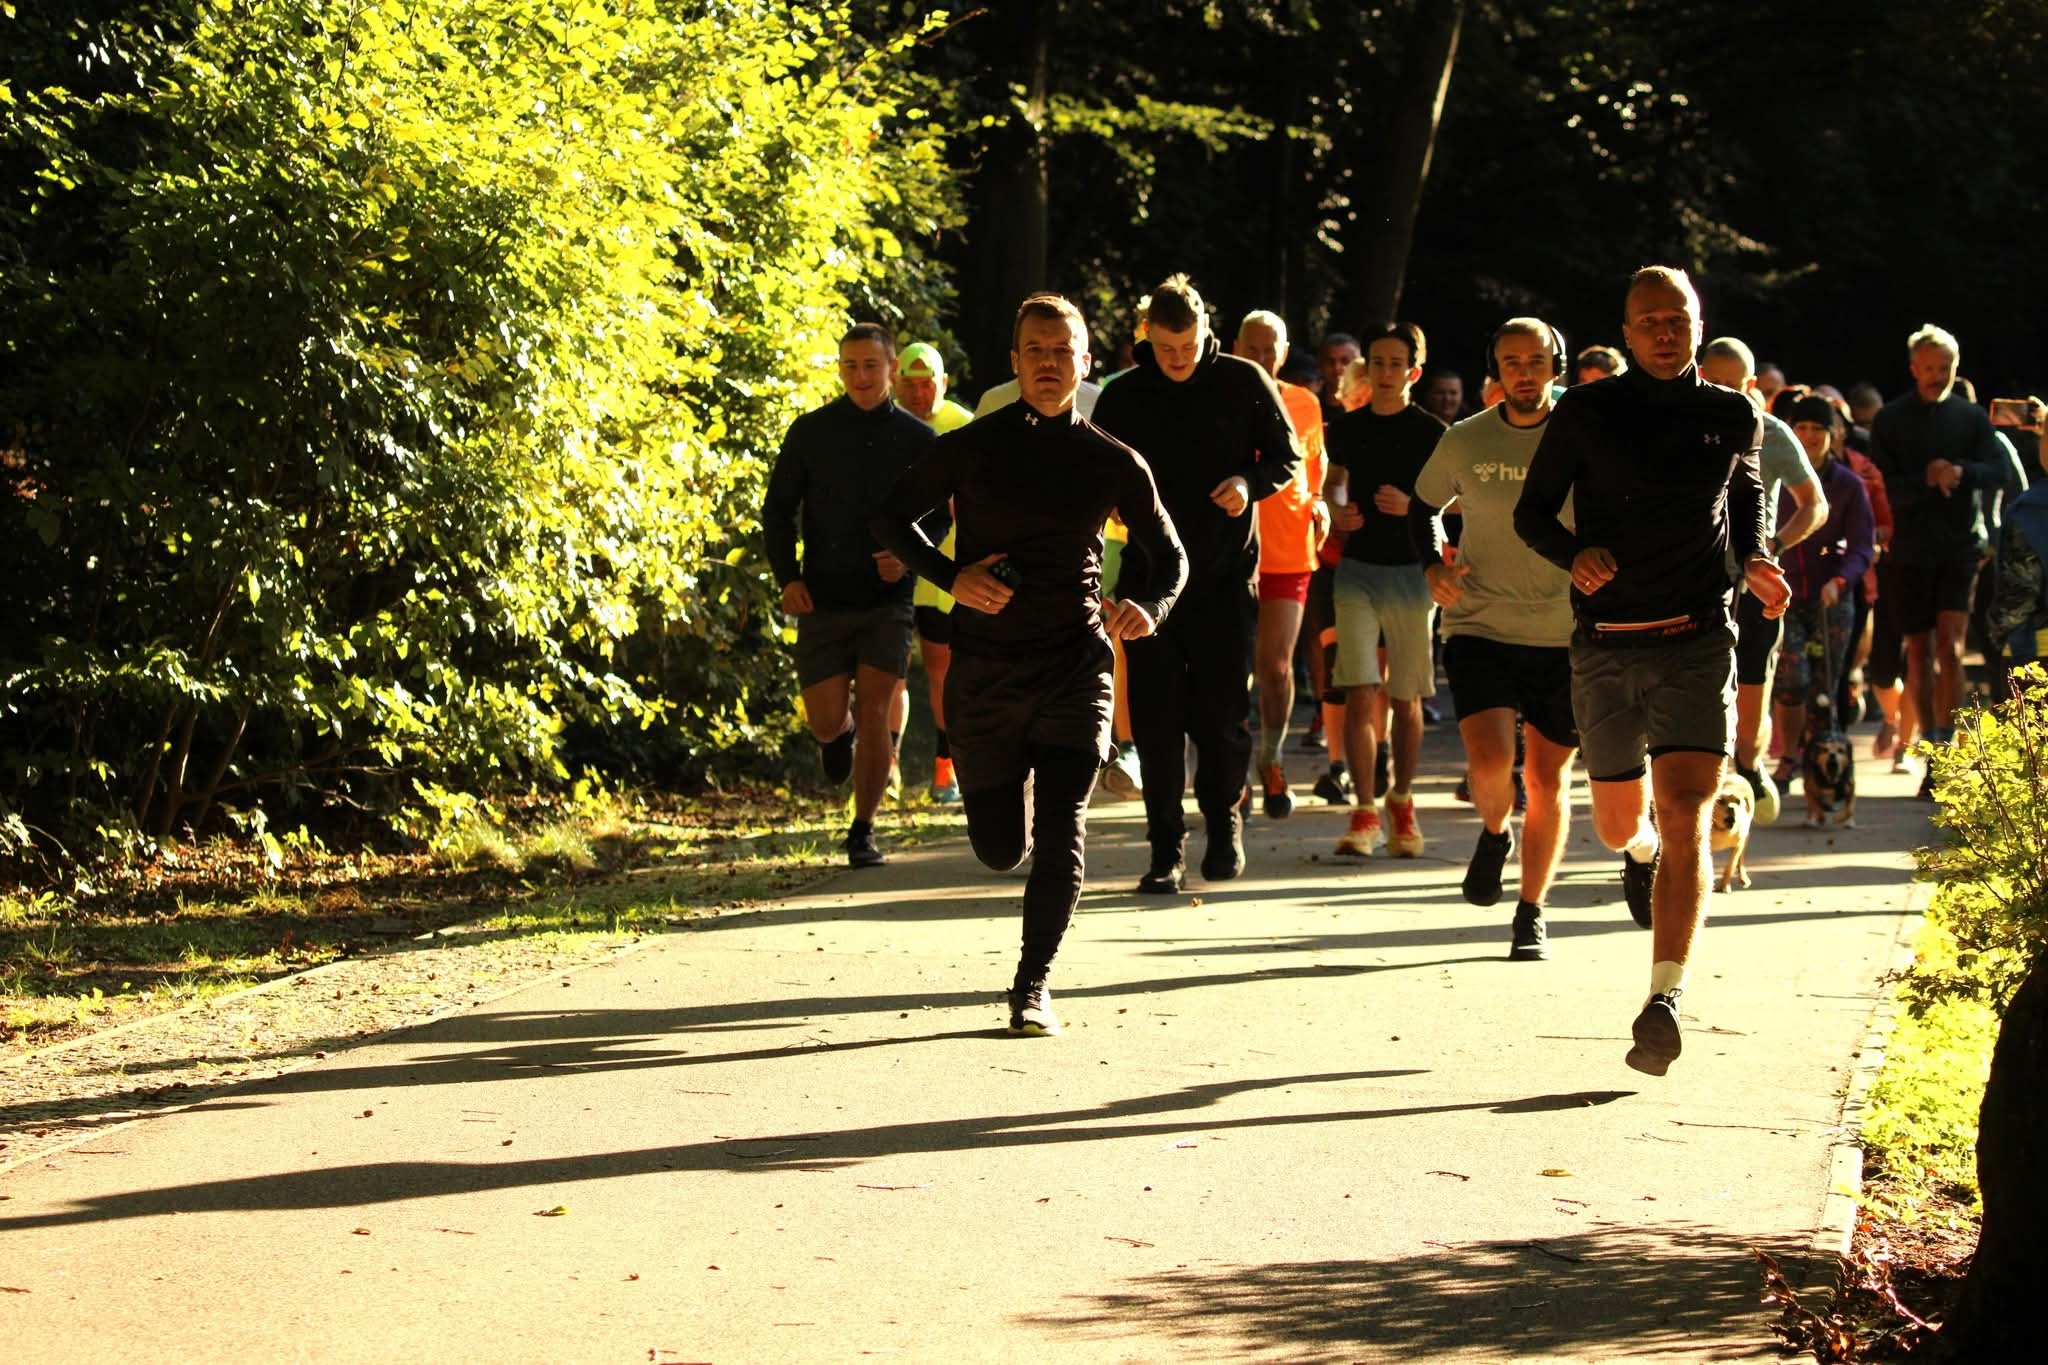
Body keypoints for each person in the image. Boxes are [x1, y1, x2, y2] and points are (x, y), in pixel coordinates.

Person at [872, 293, 1186, 1035]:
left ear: (1087, 364)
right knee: (999, 845)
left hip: (1076, 662)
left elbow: (1169, 557)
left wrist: (1148, 606)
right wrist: (952, 577)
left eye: (1064, 351)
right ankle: (997, 813)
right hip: (984, 667)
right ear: (1015, 363)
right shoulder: (972, 445)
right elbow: (891, 516)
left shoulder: (1114, 460)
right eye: (1036, 352)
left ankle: (1032, 983)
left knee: (1064, 824)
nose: (1050, 364)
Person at [1514, 265, 1789, 1077]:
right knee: (1618, 825)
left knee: (1687, 813)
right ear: (1627, 333)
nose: (1665, 331)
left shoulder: (1733, 412)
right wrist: (1576, 553)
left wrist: (1760, 557)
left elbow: (1744, 496)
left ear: (1699, 325)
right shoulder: (1588, 412)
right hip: (1605, 639)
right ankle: (1634, 854)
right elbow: (1534, 513)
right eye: (1649, 321)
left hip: (1699, 637)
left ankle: (1663, 997)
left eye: (1678, 318)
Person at [1092, 275, 1301, 892]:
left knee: (1220, 718)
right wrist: (1107, 506)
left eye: (1188, 347)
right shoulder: (1124, 395)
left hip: (1224, 578)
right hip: (1147, 584)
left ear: (1206, 332)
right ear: (1147, 339)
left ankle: (1223, 821)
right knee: (1155, 722)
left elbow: (1285, 457)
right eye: (1165, 350)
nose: (1178, 360)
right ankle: (1163, 850)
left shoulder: (1243, 381)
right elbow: (1095, 471)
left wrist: (1247, 483)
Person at [1408, 318, 1580, 960]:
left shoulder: (1581, 434)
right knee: (1486, 762)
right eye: (1512, 362)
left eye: (1536, 360)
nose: (1525, 372)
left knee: (1547, 777)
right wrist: (1433, 566)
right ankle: (1493, 830)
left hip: (1562, 629)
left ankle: (1531, 910)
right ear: (1496, 371)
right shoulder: (1465, 438)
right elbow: (1424, 506)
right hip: (1478, 619)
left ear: (1555, 366)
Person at [762, 323, 938, 867]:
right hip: (822, 598)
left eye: (871, 366)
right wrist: (787, 577)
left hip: (888, 602)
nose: (860, 376)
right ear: (840, 370)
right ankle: (832, 738)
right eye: (850, 366)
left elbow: (943, 514)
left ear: (891, 369)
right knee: (826, 719)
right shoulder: (811, 432)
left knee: (877, 711)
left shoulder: (918, 440)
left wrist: (911, 552)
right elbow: (777, 509)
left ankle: (862, 830)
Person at [1323, 322, 1447, 857]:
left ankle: (1402, 801)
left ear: (1413, 372)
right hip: (1356, 570)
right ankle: (1364, 811)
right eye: (1378, 362)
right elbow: (1332, 483)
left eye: (1397, 364)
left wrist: (1414, 507)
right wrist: (1337, 511)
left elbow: (1455, 500)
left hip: (1412, 572)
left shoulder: (1432, 432)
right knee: (1358, 690)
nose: (1387, 372)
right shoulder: (1346, 427)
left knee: (1406, 696)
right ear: (1366, 368)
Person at [1868, 325, 2007, 797]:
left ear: (1955, 367)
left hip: (1959, 547)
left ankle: (1948, 752)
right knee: (1920, 652)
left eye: (1944, 368)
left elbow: (1999, 470)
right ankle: (1931, 748)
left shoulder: (1971, 418)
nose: (1936, 376)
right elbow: (1884, 486)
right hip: (1908, 552)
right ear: (1914, 369)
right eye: (1928, 368)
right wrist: (1925, 479)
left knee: (1950, 646)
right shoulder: (1890, 420)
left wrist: (1960, 471)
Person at [1697, 338, 1826, 822]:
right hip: (1695, 577)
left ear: (1753, 387)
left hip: (1755, 580)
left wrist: (1774, 547)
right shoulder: (1675, 428)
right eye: (1714, 383)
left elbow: (1814, 503)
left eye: (1735, 385)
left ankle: (1748, 765)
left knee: (1752, 683)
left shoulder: (1771, 432)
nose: (1724, 393)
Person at [1235, 309, 1328, 817]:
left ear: (1286, 353)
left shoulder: (1305, 402)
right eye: (1254, 348)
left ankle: (1270, 760)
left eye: (1272, 349)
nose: (1263, 358)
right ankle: (1233, 768)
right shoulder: (1222, 396)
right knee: (1232, 668)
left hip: (1290, 550)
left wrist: (1319, 501)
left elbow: (1315, 465)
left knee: (1274, 666)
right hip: (1232, 550)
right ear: (1235, 347)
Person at [1767, 394, 1874, 798]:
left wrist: (1841, 581)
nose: (1809, 437)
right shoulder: (1776, 477)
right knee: (1791, 680)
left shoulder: (1848, 484)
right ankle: (1790, 756)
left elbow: (1863, 546)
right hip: (1785, 594)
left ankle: (1823, 761)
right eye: (1802, 428)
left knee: (1827, 685)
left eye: (1818, 430)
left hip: (1833, 597)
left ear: (1834, 435)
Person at [896, 342, 975, 802]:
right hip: (891, 568)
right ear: (896, 384)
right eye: (910, 384)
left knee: (943, 668)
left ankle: (947, 764)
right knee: (891, 670)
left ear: (943, 384)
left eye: (928, 384)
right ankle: (887, 765)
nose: (920, 394)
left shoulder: (963, 426)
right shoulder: (888, 425)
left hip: (946, 571)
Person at [1317, 333, 1362, 425]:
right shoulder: (1310, 405)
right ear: (1320, 366)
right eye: (1330, 362)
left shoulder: (1370, 405)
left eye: (1345, 361)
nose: (1337, 368)